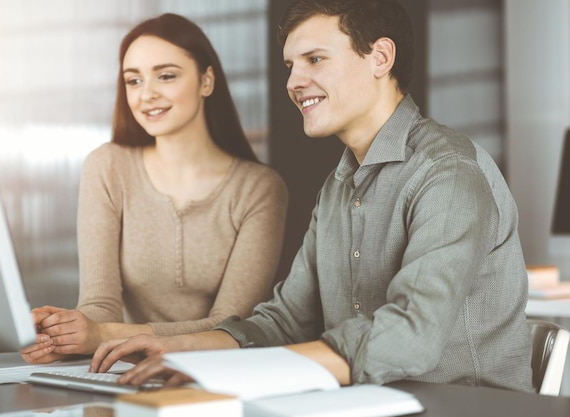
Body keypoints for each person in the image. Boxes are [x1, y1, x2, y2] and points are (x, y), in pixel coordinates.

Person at [87, 0, 534, 393]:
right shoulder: (338, 187)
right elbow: (284, 321)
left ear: (380, 57)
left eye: (315, 60)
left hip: (469, 406)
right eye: (290, 66)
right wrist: (175, 348)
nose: (294, 82)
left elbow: (409, 335)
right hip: (363, 401)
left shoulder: (447, 172)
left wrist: (250, 371)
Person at [20, 13, 288, 364]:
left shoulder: (259, 189)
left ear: (207, 81)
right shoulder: (108, 166)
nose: (147, 94)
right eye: (133, 81)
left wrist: (102, 335)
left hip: (213, 374)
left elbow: (230, 327)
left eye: (166, 76)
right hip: (122, 371)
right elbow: (99, 305)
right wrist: (62, 337)